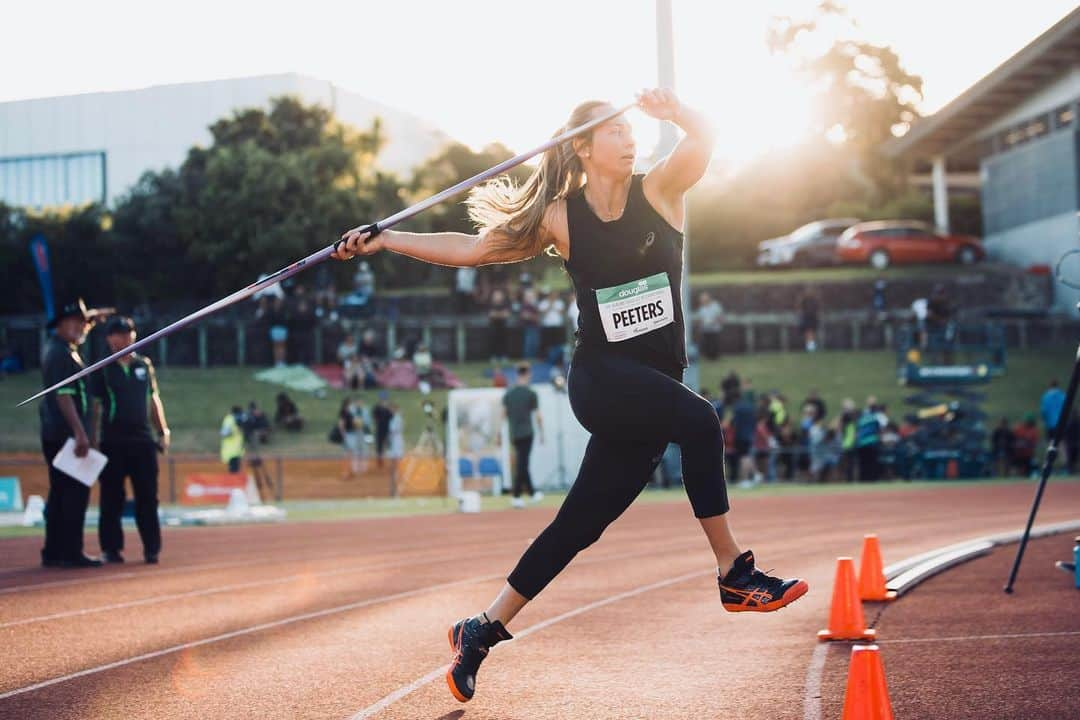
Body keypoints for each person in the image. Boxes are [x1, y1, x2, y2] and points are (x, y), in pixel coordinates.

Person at [335, 91, 807, 702]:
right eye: (613, 131)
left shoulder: (661, 190)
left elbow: (707, 138)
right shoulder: (561, 217)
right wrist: (387, 240)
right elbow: (473, 249)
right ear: (581, 147)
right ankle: (734, 575)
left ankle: (480, 629)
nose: (629, 138)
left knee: (579, 525)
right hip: (602, 378)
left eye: (630, 129)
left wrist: (678, 112)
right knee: (699, 422)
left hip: (652, 385)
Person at [88, 317, 168, 565]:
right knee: (112, 497)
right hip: (113, 442)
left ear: (133, 336)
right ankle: (111, 549)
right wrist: (92, 440)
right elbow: (95, 406)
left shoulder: (143, 365)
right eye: (116, 335)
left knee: (147, 496)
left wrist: (162, 430)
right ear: (108, 339)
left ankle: (152, 548)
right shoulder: (102, 368)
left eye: (126, 334)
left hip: (142, 441)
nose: (121, 339)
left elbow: (153, 399)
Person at [39, 298, 108, 568]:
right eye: (74, 323)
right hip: (65, 435)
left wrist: (90, 319)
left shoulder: (60, 348)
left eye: (83, 323)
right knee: (74, 494)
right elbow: (64, 396)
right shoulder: (61, 355)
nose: (80, 328)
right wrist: (81, 434)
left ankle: (54, 550)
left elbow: (78, 328)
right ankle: (70, 551)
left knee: (59, 493)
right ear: (59, 325)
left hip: (56, 433)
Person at [502, 362, 545, 508]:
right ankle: (516, 495)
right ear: (527, 374)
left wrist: (498, 435)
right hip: (527, 432)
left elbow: (502, 415)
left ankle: (532, 493)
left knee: (522, 463)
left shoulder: (509, 394)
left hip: (514, 433)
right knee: (522, 464)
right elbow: (538, 416)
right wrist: (542, 433)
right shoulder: (531, 394)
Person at [855, 397, 881, 482]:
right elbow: (882, 427)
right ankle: (869, 479)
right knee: (869, 463)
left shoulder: (864, 415)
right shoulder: (876, 414)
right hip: (868, 442)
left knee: (866, 463)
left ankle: (866, 479)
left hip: (865, 443)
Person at [693, 291, 724, 360]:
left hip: (715, 329)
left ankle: (715, 358)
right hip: (705, 329)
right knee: (707, 344)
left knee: (714, 344)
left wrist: (714, 321)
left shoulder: (716, 306)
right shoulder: (701, 308)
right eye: (702, 300)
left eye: (704, 299)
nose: (703, 301)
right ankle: (708, 357)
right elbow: (700, 318)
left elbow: (720, 317)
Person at [487, 287, 511, 364]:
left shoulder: (505, 304)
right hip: (493, 327)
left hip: (503, 326)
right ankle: (493, 357)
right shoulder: (490, 304)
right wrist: (500, 314)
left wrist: (497, 314)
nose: (497, 296)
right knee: (493, 341)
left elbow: (506, 315)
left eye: (499, 295)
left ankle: (503, 357)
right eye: (496, 295)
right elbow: (491, 315)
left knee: (503, 341)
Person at [386, 402, 405, 496]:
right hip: (393, 444)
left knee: (396, 468)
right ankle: (393, 490)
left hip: (396, 445)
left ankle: (396, 490)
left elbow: (394, 431)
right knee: (393, 469)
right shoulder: (394, 418)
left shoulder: (397, 418)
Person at [796, 287, 821, 352]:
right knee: (808, 333)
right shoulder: (804, 300)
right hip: (806, 317)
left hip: (812, 317)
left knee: (811, 333)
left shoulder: (814, 299)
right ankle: (810, 348)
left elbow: (817, 308)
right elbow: (799, 307)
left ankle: (811, 348)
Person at [220, 406, 245, 473]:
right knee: (233, 472)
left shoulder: (236, 420)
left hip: (237, 451)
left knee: (236, 471)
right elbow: (224, 433)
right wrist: (231, 432)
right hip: (231, 452)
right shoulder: (229, 420)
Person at [519, 287, 541, 360]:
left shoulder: (534, 305)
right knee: (528, 343)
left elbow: (538, 317)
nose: (530, 298)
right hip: (528, 327)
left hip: (535, 327)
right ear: (525, 297)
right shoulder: (524, 305)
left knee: (535, 343)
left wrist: (531, 316)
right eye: (529, 296)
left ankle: (533, 358)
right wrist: (533, 317)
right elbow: (524, 316)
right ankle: (527, 358)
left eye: (532, 296)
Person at [373, 392, 393, 467]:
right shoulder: (377, 408)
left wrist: (388, 409)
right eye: (382, 399)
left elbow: (392, 417)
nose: (384, 400)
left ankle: (390, 460)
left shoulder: (388, 408)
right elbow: (375, 418)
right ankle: (380, 460)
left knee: (389, 444)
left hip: (388, 429)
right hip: (380, 428)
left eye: (385, 399)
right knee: (379, 445)